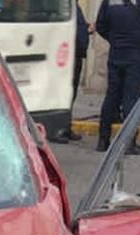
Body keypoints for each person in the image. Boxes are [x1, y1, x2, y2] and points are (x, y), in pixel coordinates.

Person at [95, 0, 140, 154]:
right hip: (136, 53)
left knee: (111, 97)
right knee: (132, 99)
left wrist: (115, 39)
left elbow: (100, 25)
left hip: (116, 52)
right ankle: (129, 143)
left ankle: (103, 140)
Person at [54, 2, 94, 143]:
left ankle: (66, 127)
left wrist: (86, 28)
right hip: (67, 55)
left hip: (75, 54)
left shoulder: (72, 6)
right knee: (63, 94)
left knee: (70, 94)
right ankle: (57, 130)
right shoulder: (64, 5)